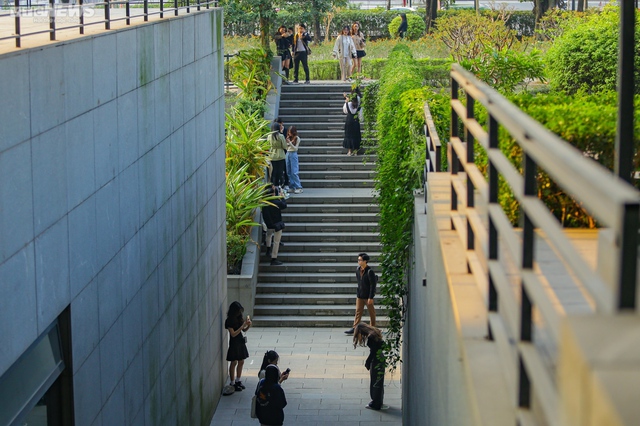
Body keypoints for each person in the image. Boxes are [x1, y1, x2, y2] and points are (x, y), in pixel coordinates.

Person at [353, 323, 386, 410]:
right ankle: (378, 401)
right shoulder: (374, 333)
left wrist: (367, 362)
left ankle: (375, 403)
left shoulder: (371, 337)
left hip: (376, 360)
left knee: (375, 382)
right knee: (379, 381)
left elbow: (373, 352)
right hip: (380, 358)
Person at [345, 253, 376, 334]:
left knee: (371, 312)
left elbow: (373, 285)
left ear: (365, 261)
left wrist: (371, 297)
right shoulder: (358, 270)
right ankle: (355, 327)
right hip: (360, 295)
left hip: (367, 296)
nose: (358, 261)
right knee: (358, 312)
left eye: (360, 260)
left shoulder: (370, 271)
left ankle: (372, 327)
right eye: (358, 260)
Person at [225, 301, 252, 391]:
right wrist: (242, 326)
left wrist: (248, 326)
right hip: (234, 342)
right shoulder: (229, 321)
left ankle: (238, 380)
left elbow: (243, 330)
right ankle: (232, 382)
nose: (239, 313)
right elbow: (233, 334)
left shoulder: (239, 318)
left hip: (240, 341)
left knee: (241, 361)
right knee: (234, 362)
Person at [262, 185, 287, 266]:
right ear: (272, 194)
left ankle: (268, 250)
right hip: (277, 224)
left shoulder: (264, 203)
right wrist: (282, 197)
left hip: (269, 224)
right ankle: (274, 258)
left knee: (268, 235)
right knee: (276, 241)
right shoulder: (276, 202)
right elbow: (284, 205)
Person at [268, 121, 288, 188]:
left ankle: (273, 186)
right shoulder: (281, 136)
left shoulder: (269, 136)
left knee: (273, 172)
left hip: (272, 155)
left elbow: (267, 145)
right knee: (280, 172)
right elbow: (284, 146)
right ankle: (280, 186)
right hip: (280, 155)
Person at [285, 126, 303, 194]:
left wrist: (289, 143)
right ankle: (292, 186)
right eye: (288, 132)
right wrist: (287, 142)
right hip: (288, 153)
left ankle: (299, 187)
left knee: (294, 172)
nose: (289, 134)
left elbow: (295, 148)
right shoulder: (288, 138)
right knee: (288, 171)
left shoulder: (297, 138)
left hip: (293, 154)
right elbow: (286, 147)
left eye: (290, 132)